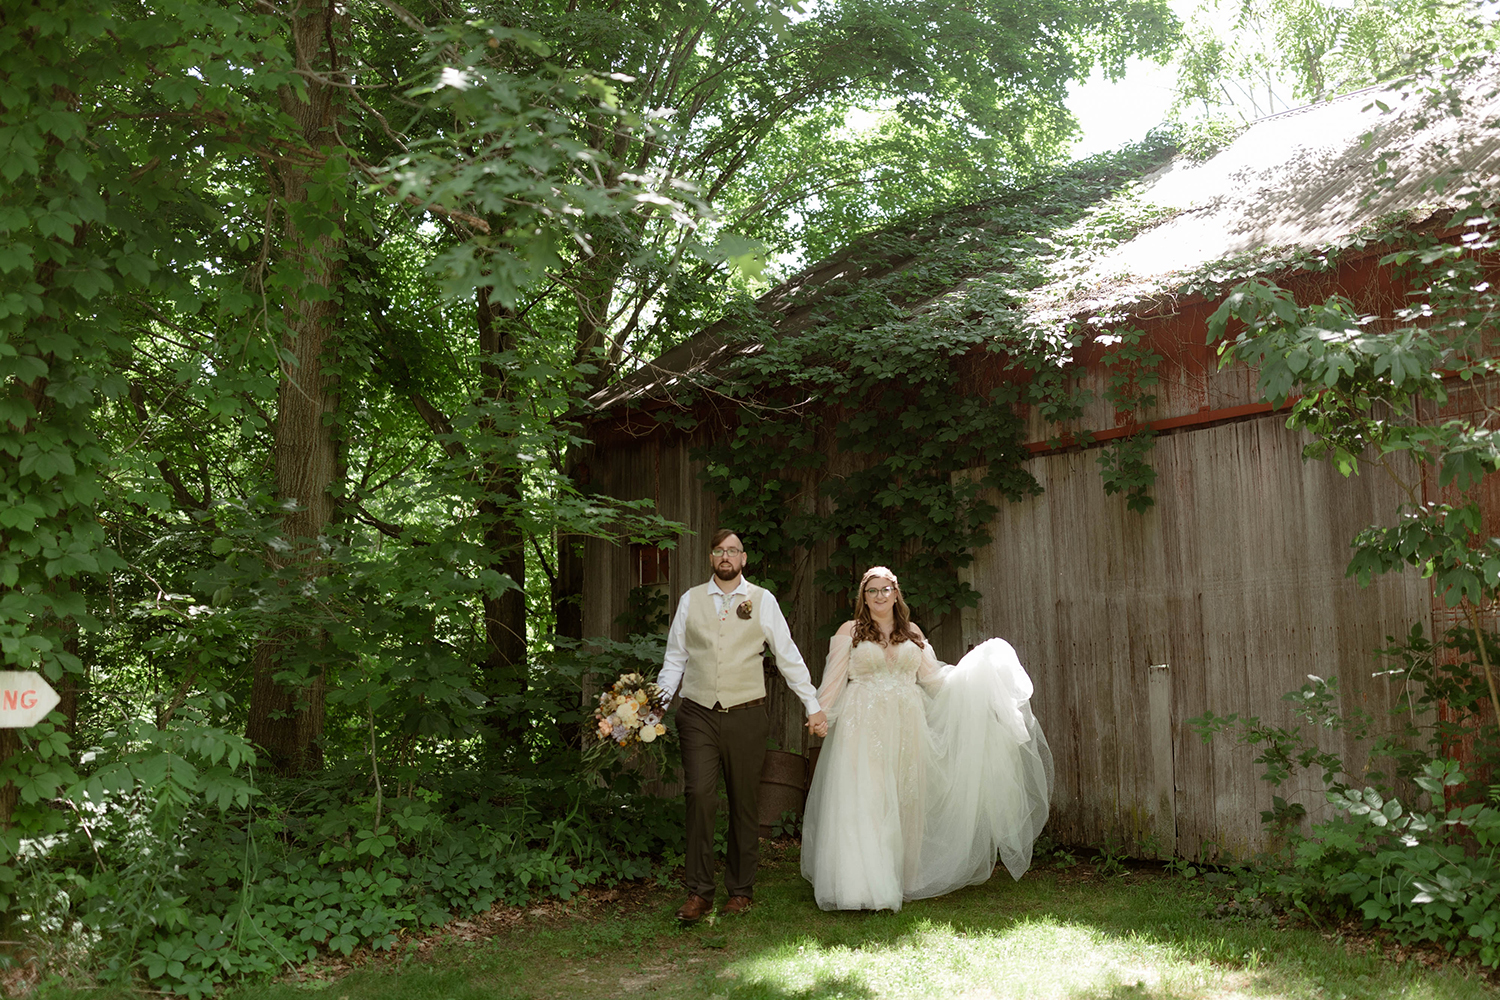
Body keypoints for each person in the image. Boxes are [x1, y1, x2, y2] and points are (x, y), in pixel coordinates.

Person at [800, 566, 1053, 912]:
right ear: (863, 596)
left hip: (908, 724)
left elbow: (935, 682)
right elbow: (832, 682)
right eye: (871, 590)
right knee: (868, 798)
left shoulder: (912, 632)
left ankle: (902, 877)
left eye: (885, 589)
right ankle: (861, 883)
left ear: (896, 592)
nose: (879, 596)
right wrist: (820, 714)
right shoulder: (850, 632)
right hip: (864, 726)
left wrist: (974, 681)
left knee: (907, 798)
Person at [657, 529, 829, 922]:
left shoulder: (762, 601)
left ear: (744, 558)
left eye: (732, 551)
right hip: (698, 711)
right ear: (711, 557)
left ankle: (740, 890)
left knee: (744, 801)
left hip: (747, 713)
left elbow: (787, 656)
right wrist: (654, 708)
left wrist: (813, 705)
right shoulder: (690, 600)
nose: (726, 556)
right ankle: (698, 893)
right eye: (719, 550)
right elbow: (674, 661)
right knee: (699, 795)